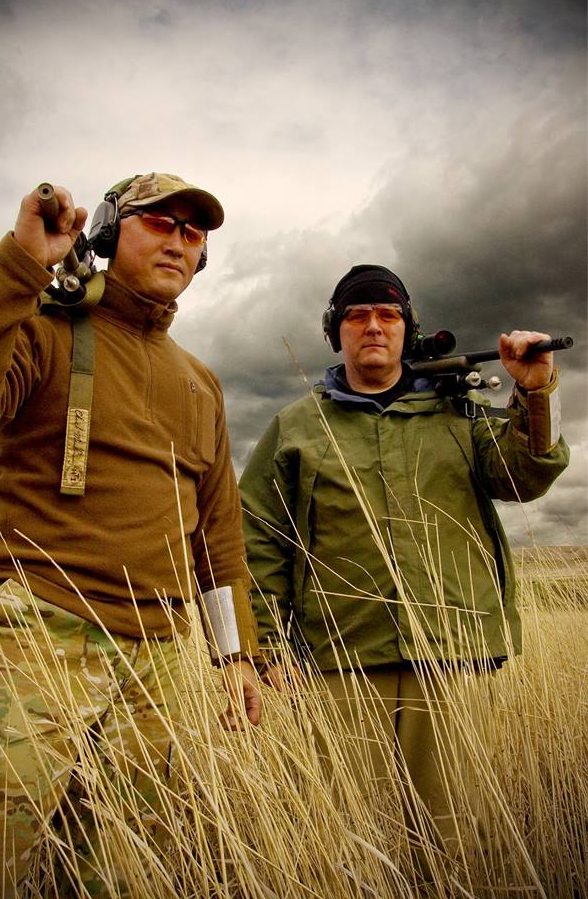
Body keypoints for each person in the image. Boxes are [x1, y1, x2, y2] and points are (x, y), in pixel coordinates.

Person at [0, 173, 261, 897]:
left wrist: (235, 654)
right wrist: (19, 265)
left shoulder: (201, 381)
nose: (178, 241)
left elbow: (218, 532)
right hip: (35, 636)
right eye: (158, 222)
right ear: (107, 231)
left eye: (192, 233)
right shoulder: (42, 325)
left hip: (159, 660)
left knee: (123, 870)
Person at [239, 264, 569, 870]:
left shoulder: (461, 414)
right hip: (336, 661)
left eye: (388, 315)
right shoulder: (296, 427)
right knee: (347, 842)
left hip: (449, 653)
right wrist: (265, 647)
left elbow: (524, 479)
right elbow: (258, 539)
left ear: (407, 329)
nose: (373, 326)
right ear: (335, 332)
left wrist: (535, 392)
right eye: (357, 315)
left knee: (454, 838)